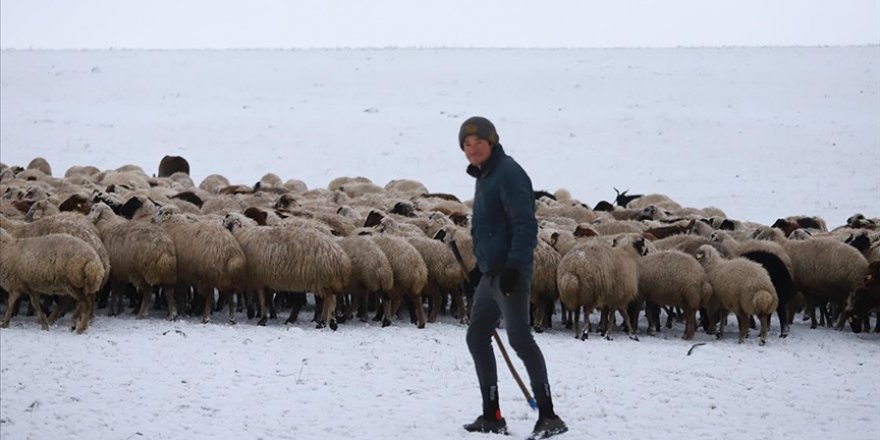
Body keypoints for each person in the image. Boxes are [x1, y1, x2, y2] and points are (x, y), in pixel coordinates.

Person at [459, 116, 568, 439]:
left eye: (478, 142)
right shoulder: (485, 176)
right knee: (477, 335)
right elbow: (490, 227)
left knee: (520, 339)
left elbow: (524, 224)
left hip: (510, 275)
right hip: (491, 274)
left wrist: (514, 267)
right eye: (466, 145)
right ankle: (492, 415)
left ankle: (548, 415)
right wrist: (481, 264)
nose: (472, 149)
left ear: (492, 142)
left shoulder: (508, 173)